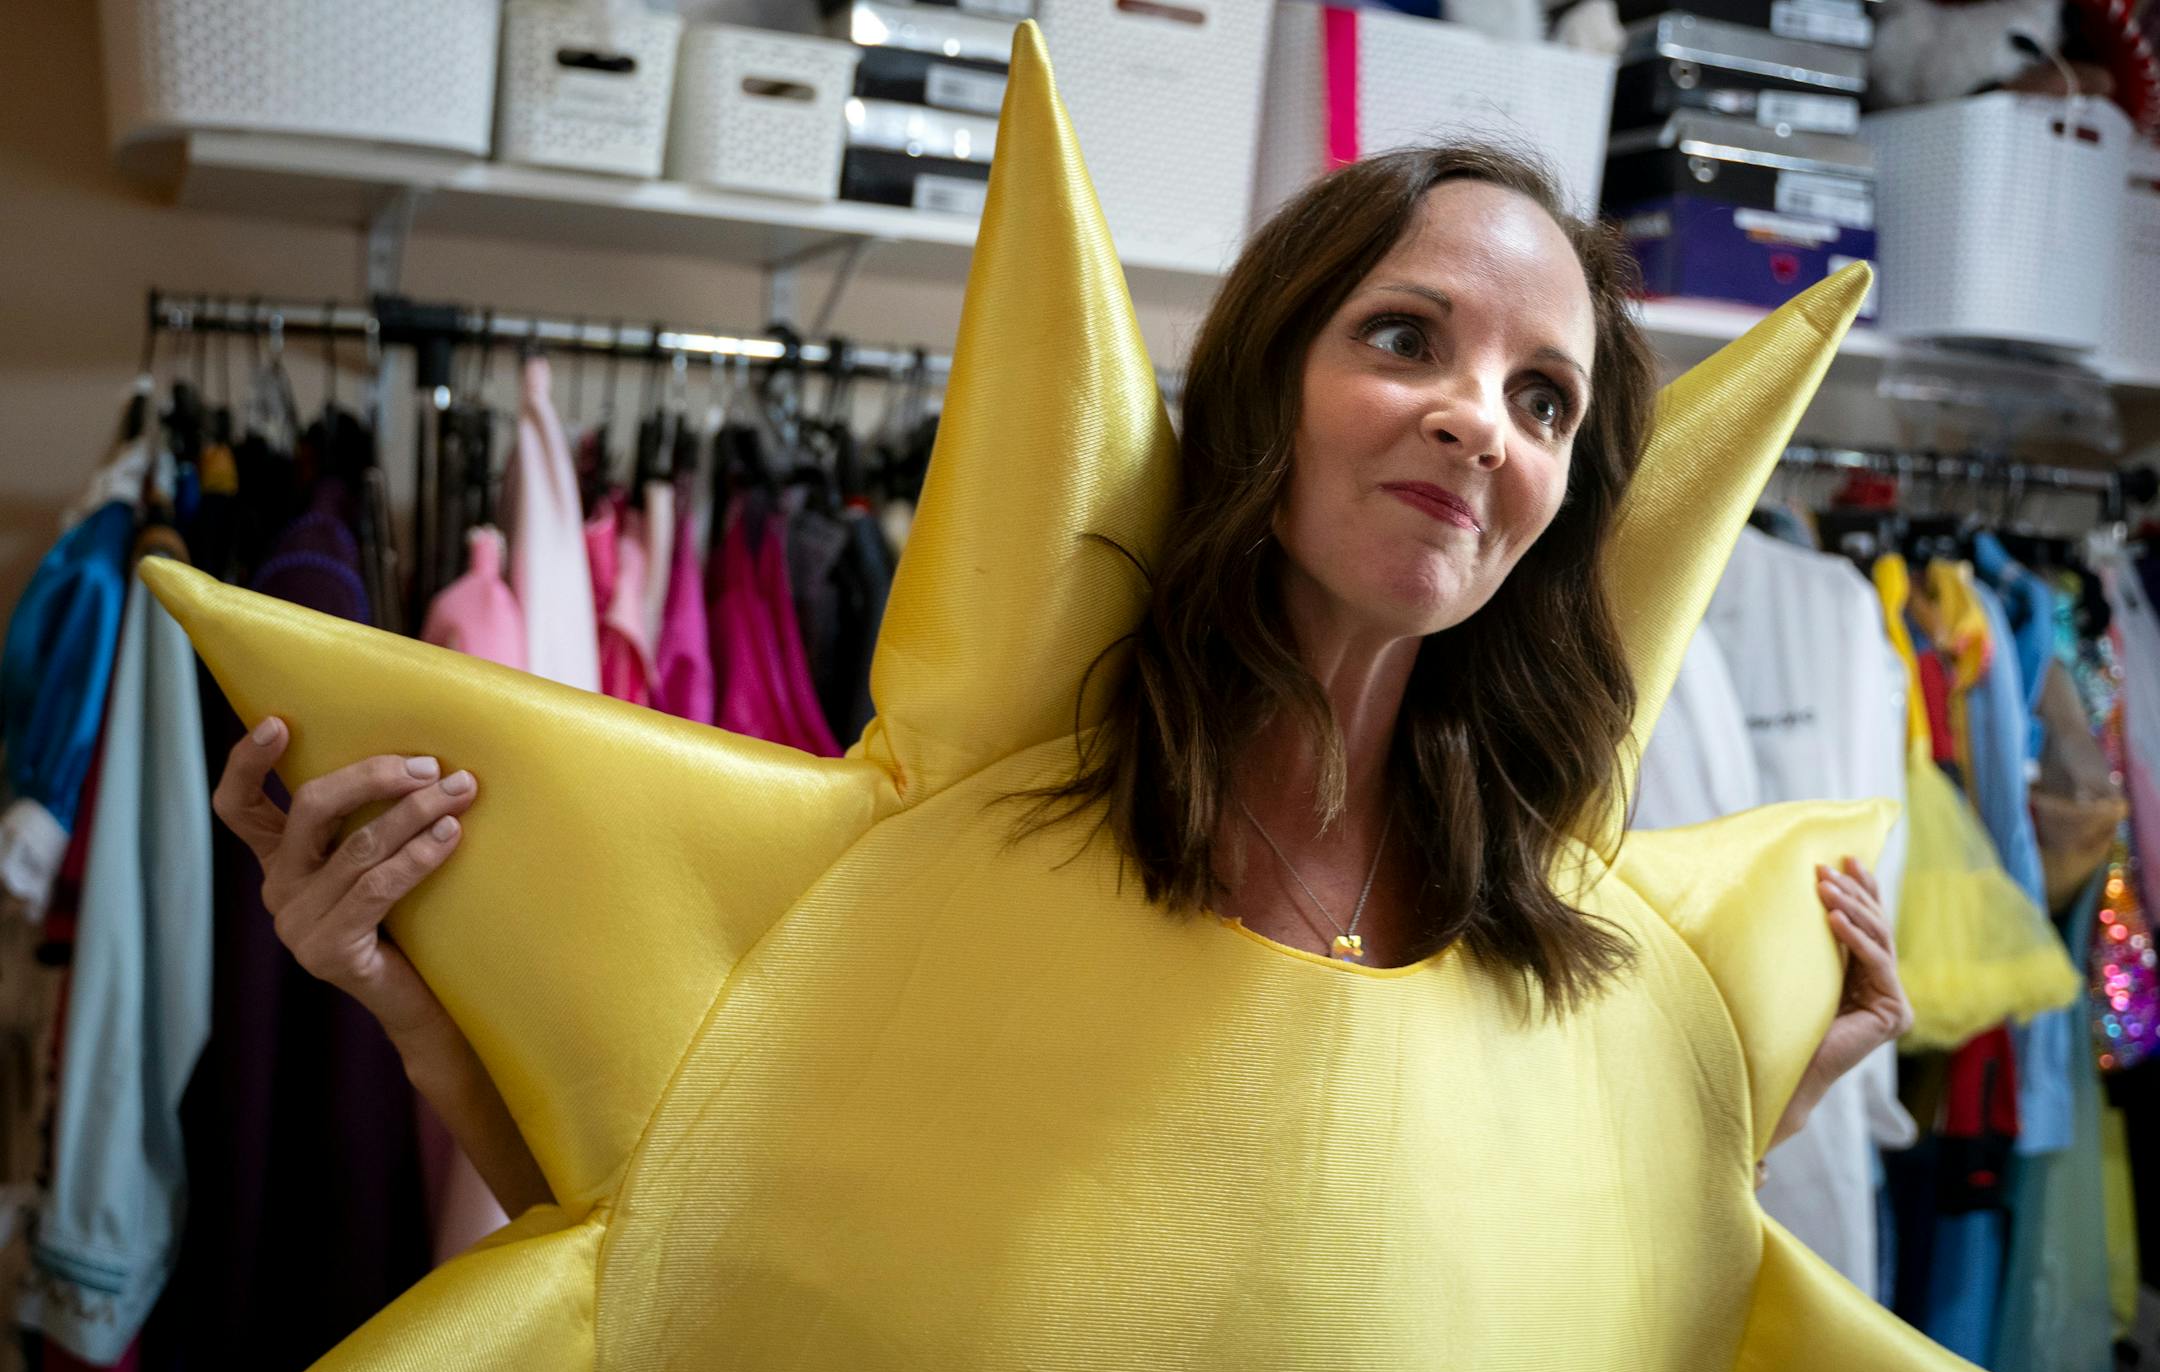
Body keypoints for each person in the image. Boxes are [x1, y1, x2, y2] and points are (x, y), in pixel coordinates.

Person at [210, 150, 1907, 1243]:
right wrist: (402, 989)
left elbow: (1558, 1298)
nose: (1482, 419)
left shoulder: (1542, 904)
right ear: (1265, 390)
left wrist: (1750, 1086)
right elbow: (686, 1243)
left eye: (1546, 397)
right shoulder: (988, 830)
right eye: (1407, 338)